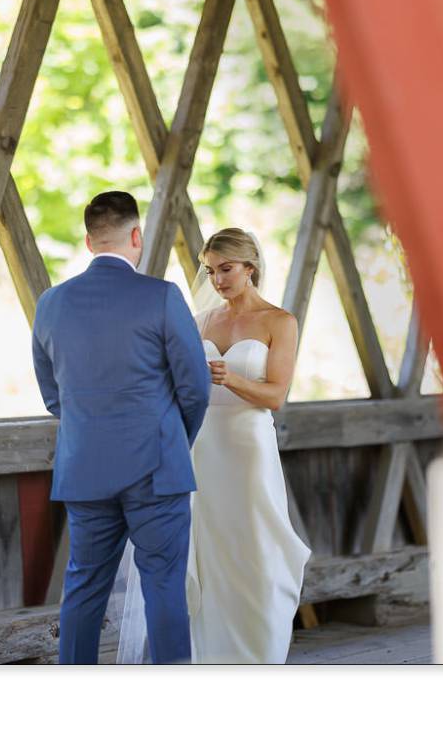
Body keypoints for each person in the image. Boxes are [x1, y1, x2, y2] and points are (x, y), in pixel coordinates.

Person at [31, 190, 211, 665]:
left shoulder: (50, 304)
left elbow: (53, 396)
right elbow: (196, 388)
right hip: (157, 467)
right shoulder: (163, 297)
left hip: (85, 468)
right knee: (164, 587)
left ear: (90, 242)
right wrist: (174, 440)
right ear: (137, 236)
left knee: (84, 586)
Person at [117, 227, 311, 664]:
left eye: (226, 269)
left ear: (250, 268)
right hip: (201, 447)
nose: (218, 280)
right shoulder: (201, 321)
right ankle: (208, 657)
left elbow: (276, 396)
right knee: (205, 553)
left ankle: (257, 655)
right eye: (210, 271)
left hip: (247, 450)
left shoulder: (280, 322)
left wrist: (232, 378)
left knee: (256, 549)